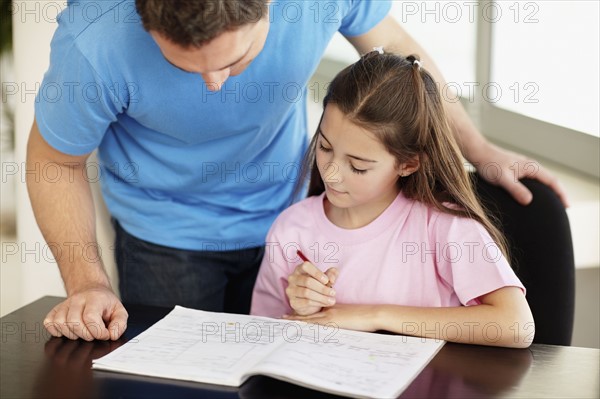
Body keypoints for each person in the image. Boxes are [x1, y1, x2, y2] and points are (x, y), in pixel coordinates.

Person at [27, 0, 567, 342]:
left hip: (287, 213)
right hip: (164, 238)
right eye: (184, 65)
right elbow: (54, 161)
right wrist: (87, 285)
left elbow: (404, 60)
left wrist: (478, 148)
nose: (214, 86)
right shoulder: (94, 40)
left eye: (233, 62)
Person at [250, 51, 534, 348]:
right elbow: (265, 341)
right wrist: (303, 310)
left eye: (358, 166)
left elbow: (516, 325)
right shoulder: (292, 229)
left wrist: (375, 316)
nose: (331, 174)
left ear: (408, 164)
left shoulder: (444, 227)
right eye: (324, 146)